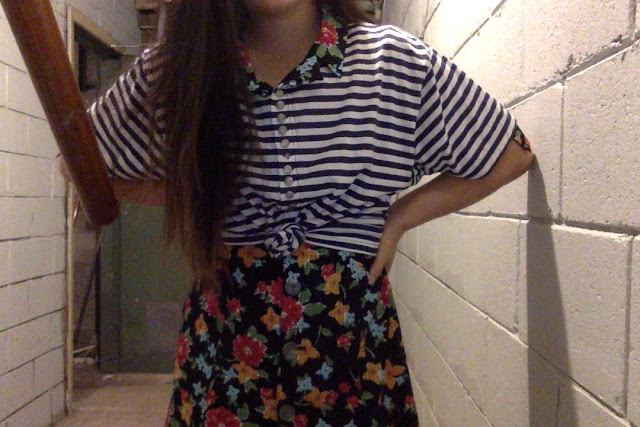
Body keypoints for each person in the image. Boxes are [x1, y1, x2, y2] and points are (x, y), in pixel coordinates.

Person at [88, 0, 534, 425]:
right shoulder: (183, 66)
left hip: (350, 346)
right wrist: (194, 198)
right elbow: (83, 164)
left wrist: (398, 219)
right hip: (228, 344)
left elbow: (510, 153)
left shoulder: (392, 61)